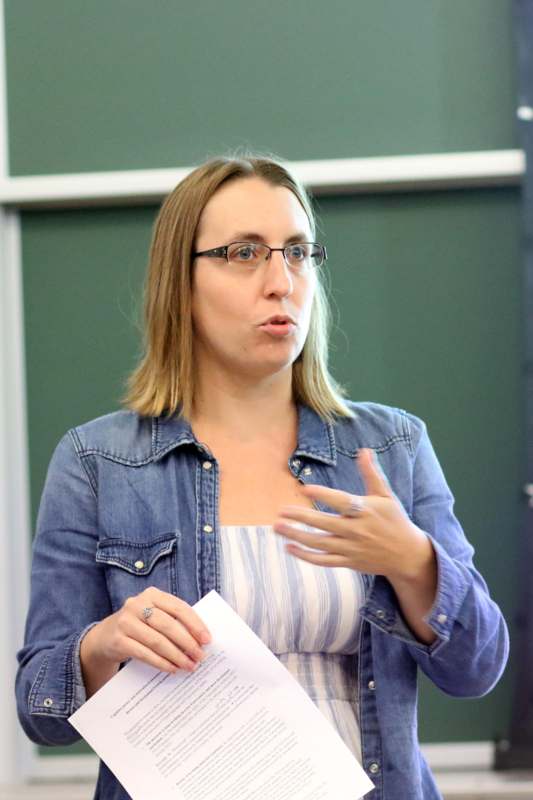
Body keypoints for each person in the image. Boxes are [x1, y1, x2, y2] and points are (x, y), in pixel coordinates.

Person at [16, 154, 509, 800]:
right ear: (180, 283)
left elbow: (477, 669)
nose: (281, 280)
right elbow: (38, 709)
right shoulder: (96, 461)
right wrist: (103, 645)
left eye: (298, 252)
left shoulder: (392, 446)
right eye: (244, 254)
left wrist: (413, 562)